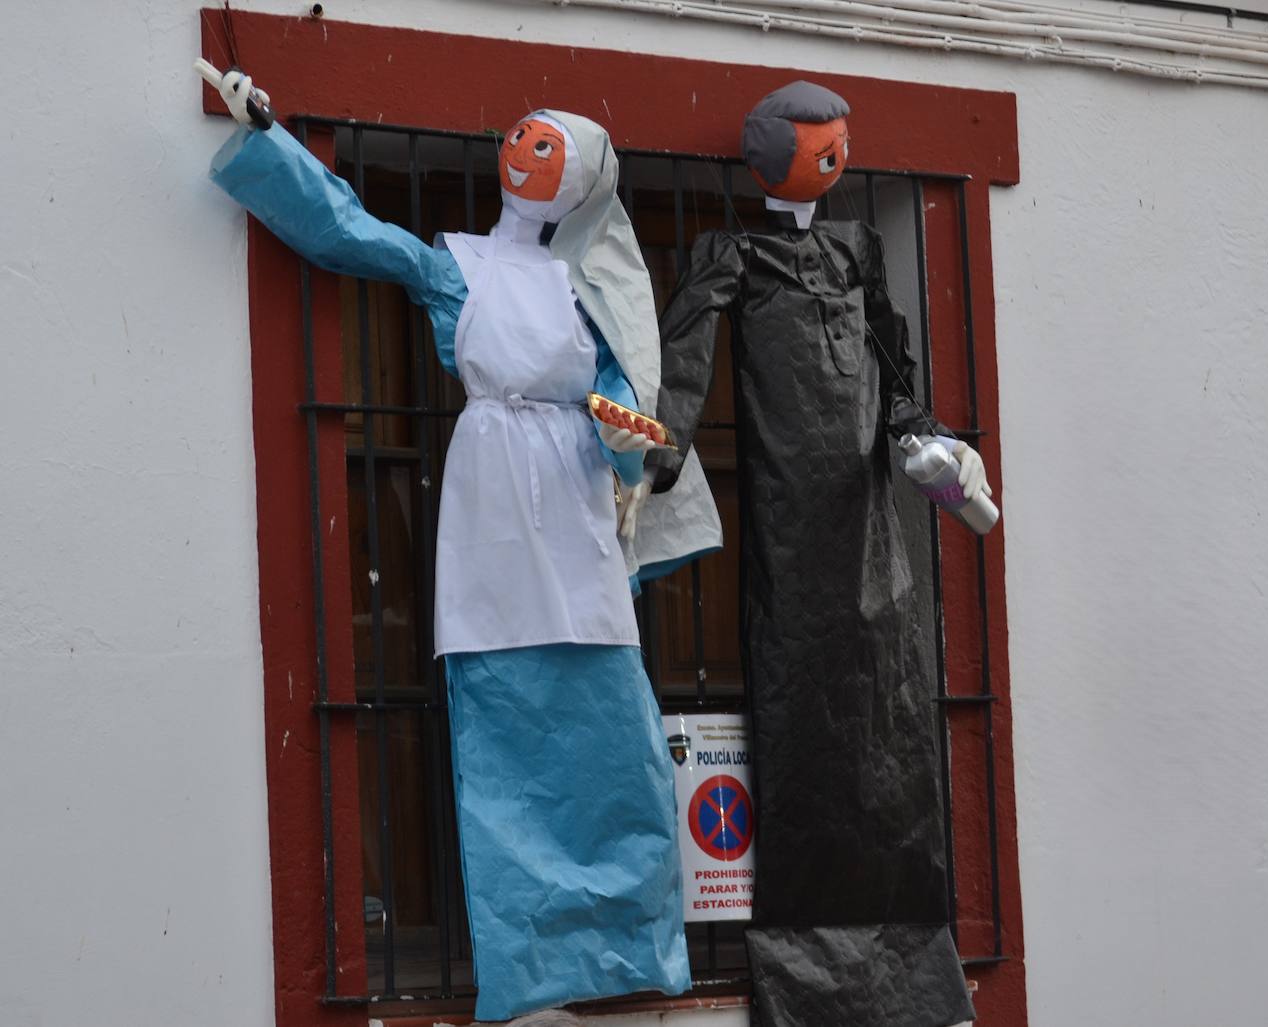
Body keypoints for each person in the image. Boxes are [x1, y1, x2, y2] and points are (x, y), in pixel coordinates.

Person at [202, 66, 706, 1023]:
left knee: (614, 736)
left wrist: (624, 431)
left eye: (549, 143)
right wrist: (268, 135)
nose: (525, 150)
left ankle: (627, 957)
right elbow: (354, 234)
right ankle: (533, 977)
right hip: (492, 506)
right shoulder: (458, 263)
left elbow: (610, 394)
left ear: (582, 179)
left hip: (571, 505)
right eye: (523, 136)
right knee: (505, 739)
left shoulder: (582, 286)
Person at [645, 81, 988, 1026]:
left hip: (867, 508)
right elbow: (686, 353)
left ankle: (910, 959)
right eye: (820, 145)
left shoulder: (856, 248)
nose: (837, 157)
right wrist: (661, 447)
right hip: (790, 502)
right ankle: (809, 968)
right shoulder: (735, 253)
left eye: (841, 143)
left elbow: (891, 351)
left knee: (889, 695)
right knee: (804, 691)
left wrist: (921, 436)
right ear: (777, 153)